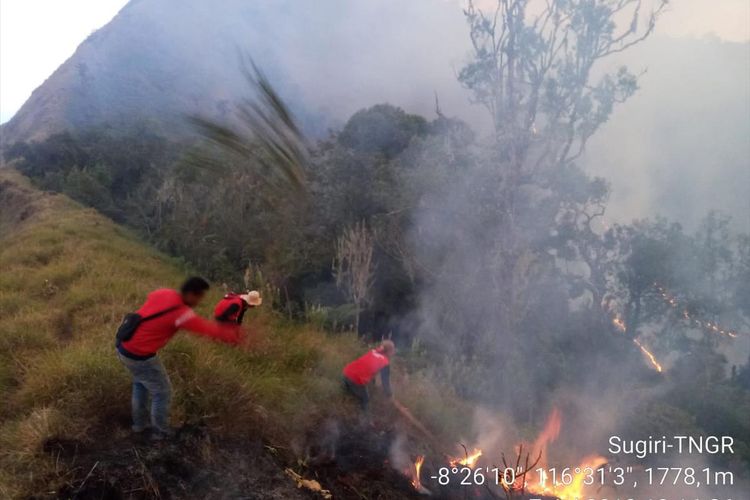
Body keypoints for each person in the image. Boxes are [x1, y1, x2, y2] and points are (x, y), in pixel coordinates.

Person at [116, 277, 245, 439]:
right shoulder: (181, 314)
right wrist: (237, 338)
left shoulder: (163, 293)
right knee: (162, 392)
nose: (199, 301)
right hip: (139, 356)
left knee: (141, 383)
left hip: (123, 346)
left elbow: (152, 299)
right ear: (191, 294)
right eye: (199, 297)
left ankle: (139, 425)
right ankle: (159, 432)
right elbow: (207, 329)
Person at [342, 340, 395, 413]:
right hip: (355, 379)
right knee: (365, 399)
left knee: (350, 394)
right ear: (389, 351)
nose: (393, 352)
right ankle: (365, 421)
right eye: (393, 350)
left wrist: (373, 385)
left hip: (346, 373)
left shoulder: (373, 352)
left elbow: (369, 368)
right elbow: (385, 382)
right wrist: (389, 395)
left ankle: (347, 406)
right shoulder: (385, 362)